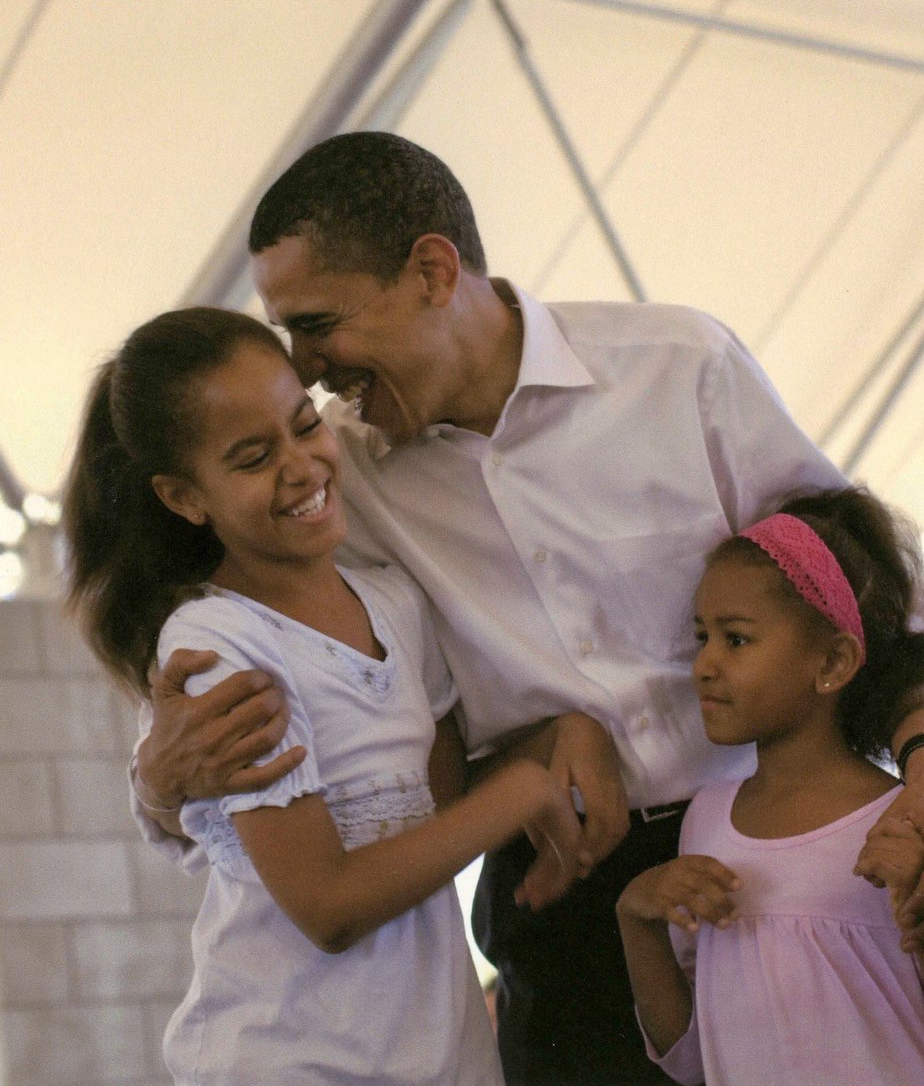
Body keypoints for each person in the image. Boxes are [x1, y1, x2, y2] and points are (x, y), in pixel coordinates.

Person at [133, 132, 924, 1086]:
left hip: (773, 862)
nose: (306, 364)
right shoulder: (341, 475)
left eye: (318, 322)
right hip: (560, 897)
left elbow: (863, 590)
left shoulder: (678, 366)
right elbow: (325, 721)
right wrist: (160, 786)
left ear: (430, 269)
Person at [63, 306, 592, 1086]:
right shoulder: (219, 644)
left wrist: (564, 735)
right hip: (291, 1058)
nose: (301, 465)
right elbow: (327, 906)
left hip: (432, 1056)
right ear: (183, 497)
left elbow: (435, 819)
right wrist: (521, 788)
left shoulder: (395, 605)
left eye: (304, 425)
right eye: (251, 458)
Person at [617, 487, 924, 1084]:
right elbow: (696, 1060)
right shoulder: (705, 819)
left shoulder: (906, 821)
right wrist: (636, 920)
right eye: (703, 636)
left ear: (832, 663)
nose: (704, 664)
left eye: (737, 638)